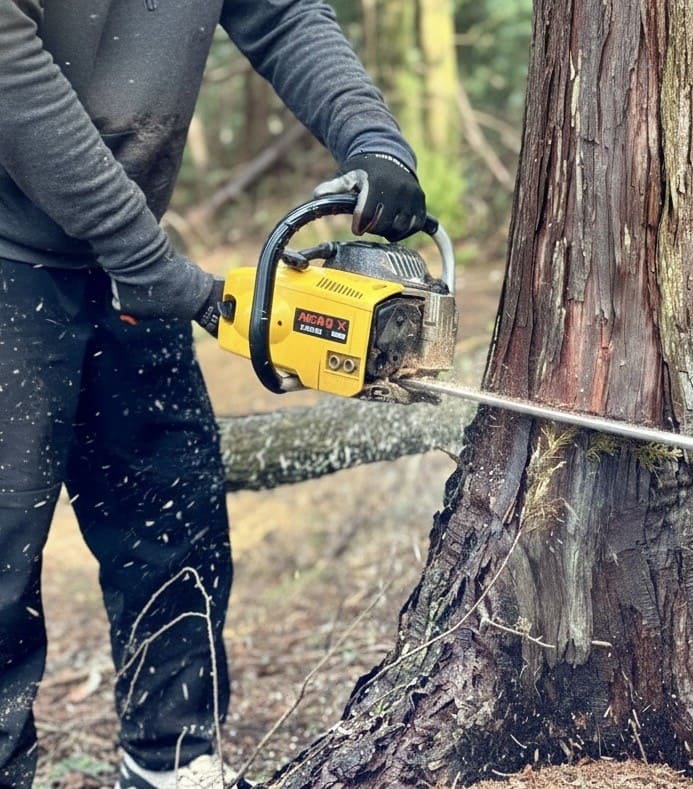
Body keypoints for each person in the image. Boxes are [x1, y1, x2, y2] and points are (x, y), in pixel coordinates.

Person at [0, 1, 427, 786]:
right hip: (20, 246)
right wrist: (154, 266)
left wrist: (372, 140)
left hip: (127, 243)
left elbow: (283, 13)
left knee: (174, 513)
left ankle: (170, 758)